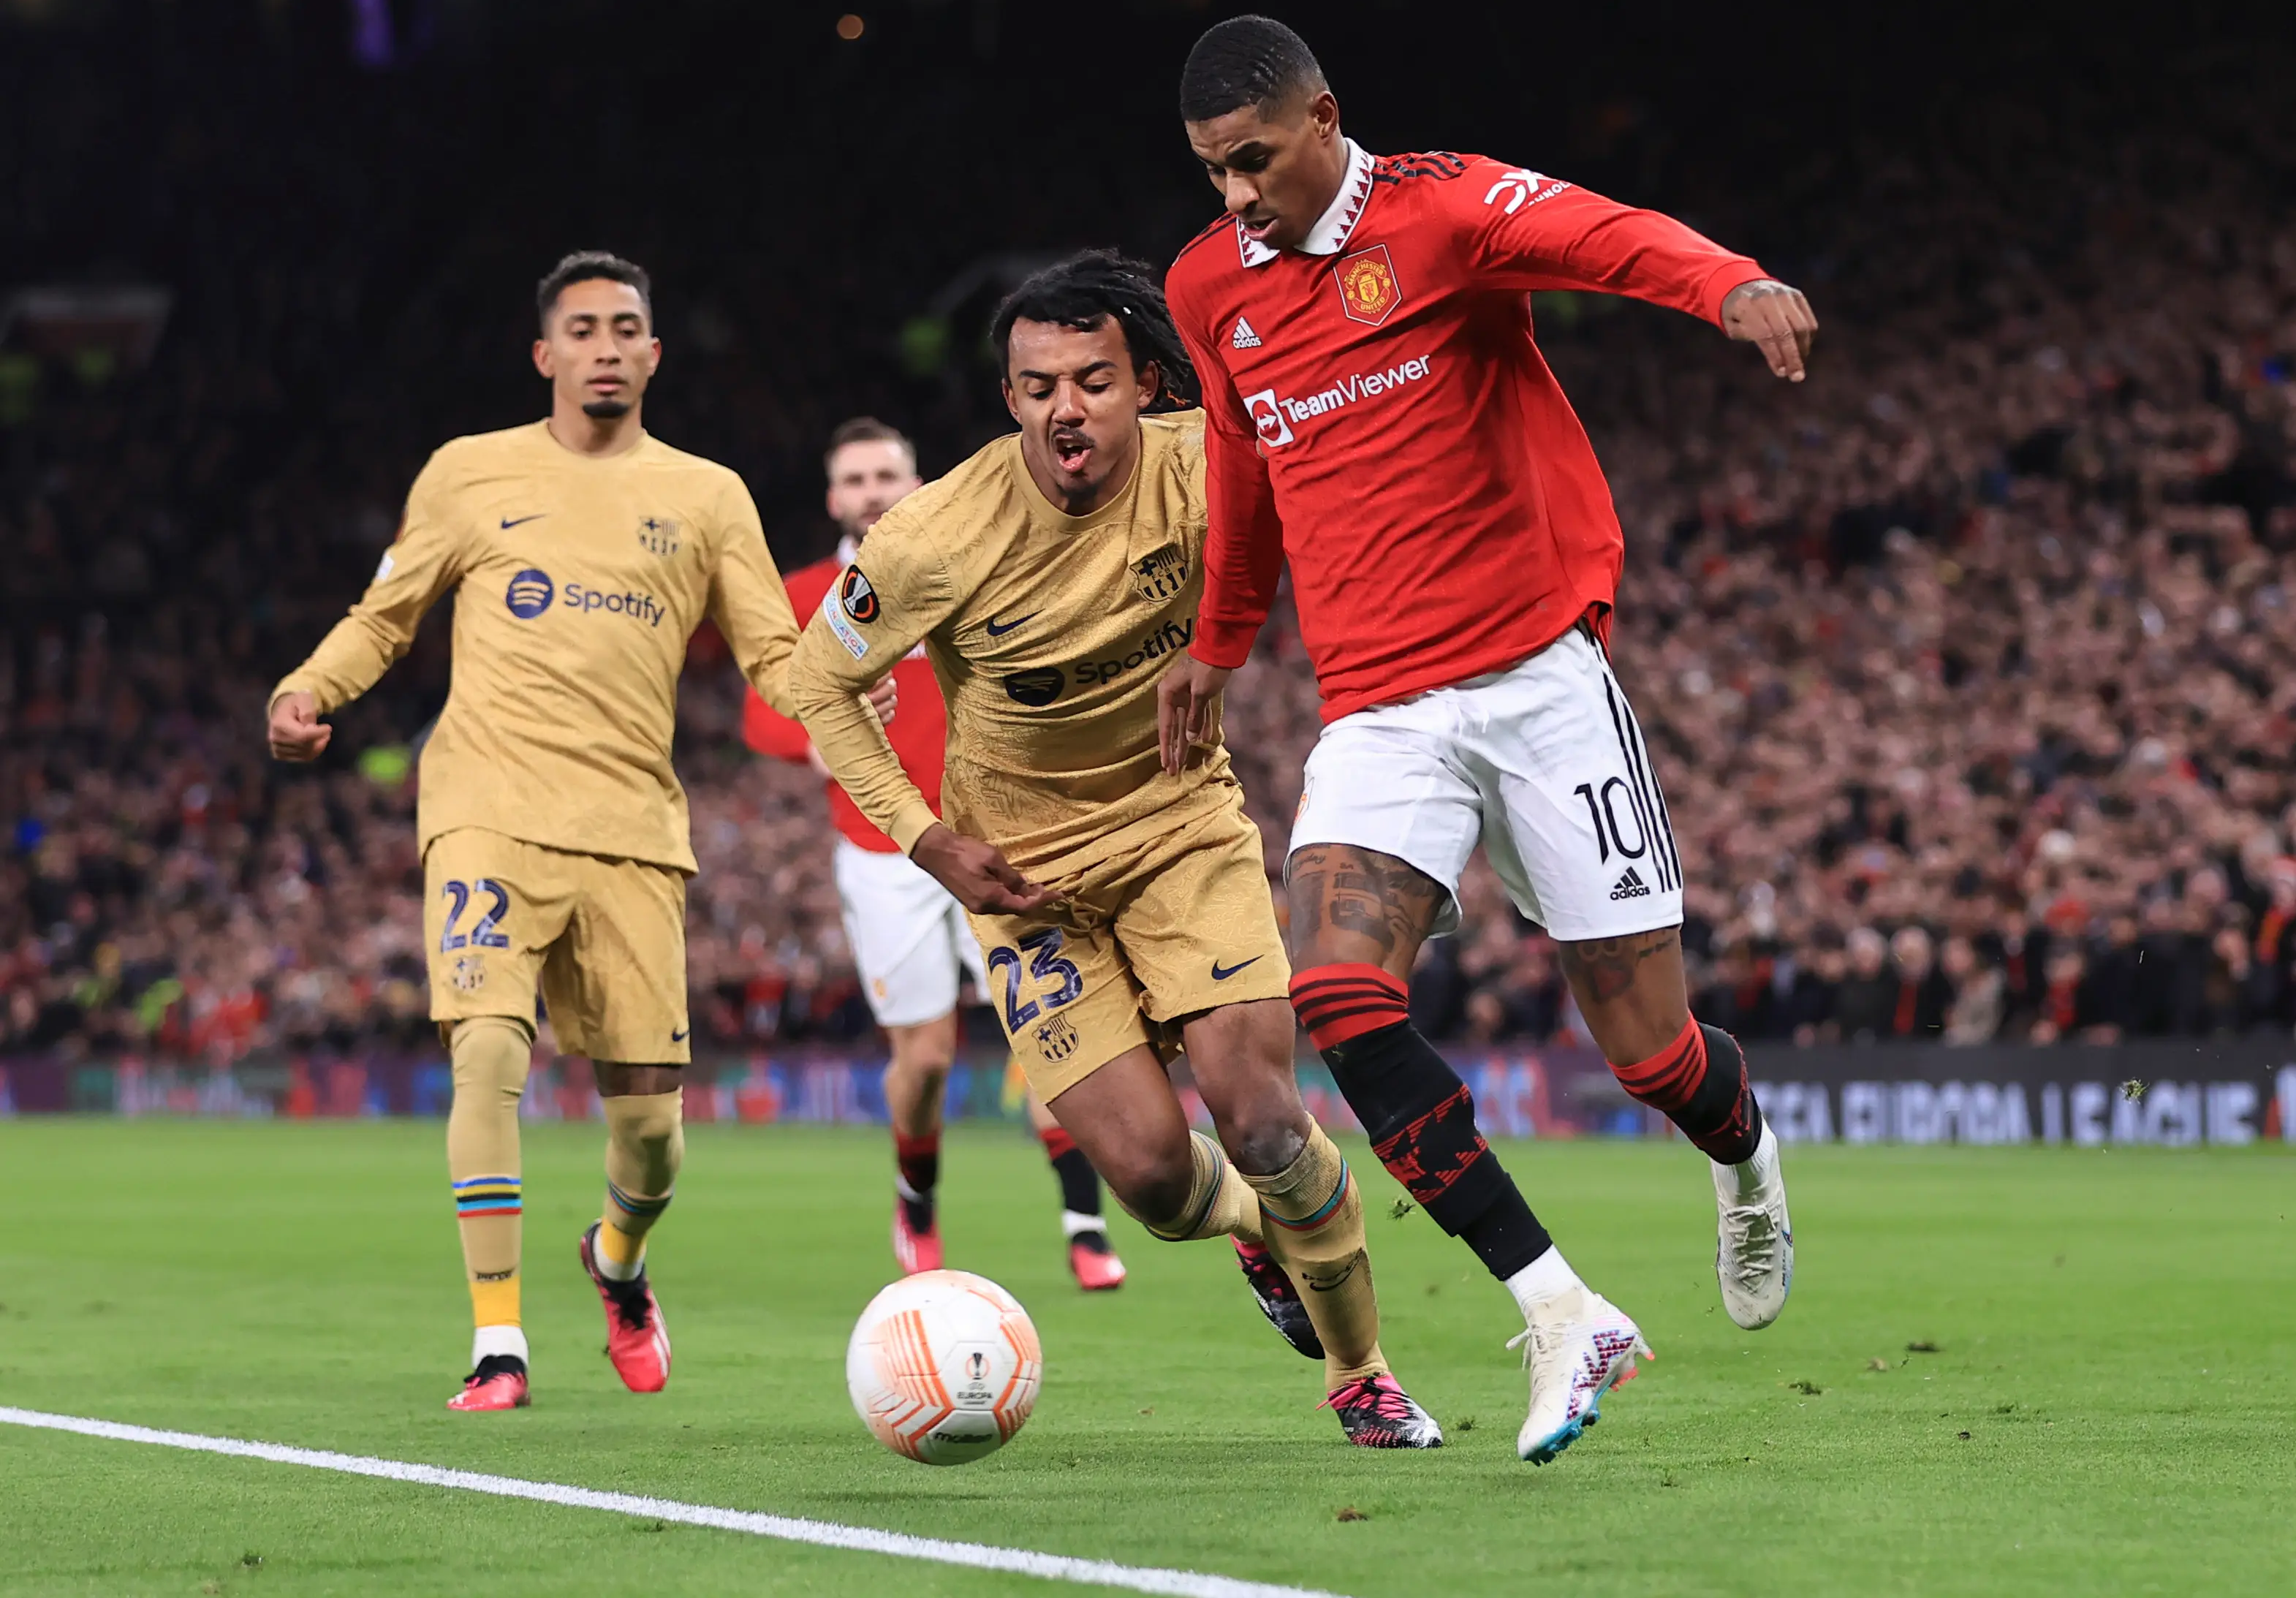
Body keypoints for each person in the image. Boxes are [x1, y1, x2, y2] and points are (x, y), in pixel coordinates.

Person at [1157, 16, 1811, 1462]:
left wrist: (1733, 286)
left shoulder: (1439, 211)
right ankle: (1562, 1305)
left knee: (1650, 1058)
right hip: (1380, 710)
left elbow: (1607, 237)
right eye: (1211, 172)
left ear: (1324, 116)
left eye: (1254, 160)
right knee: (1334, 994)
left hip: (1538, 684)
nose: (1236, 197)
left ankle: (1746, 1160)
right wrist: (1216, 643)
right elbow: (1237, 465)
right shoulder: (1209, 288)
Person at [787, 251, 1441, 1450]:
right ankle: (1255, 1227)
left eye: (1090, 380)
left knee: (1260, 1112)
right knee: (1147, 1176)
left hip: (1181, 832)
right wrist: (928, 841)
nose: (1064, 409)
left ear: (1144, 380)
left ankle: (1363, 1372)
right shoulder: (931, 533)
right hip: (1022, 882)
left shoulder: (1211, 462)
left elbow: (1347, 517)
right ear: (1008, 398)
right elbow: (816, 686)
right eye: (1036, 387)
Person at [267, 251, 806, 1412]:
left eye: (626, 328)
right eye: (583, 329)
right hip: (485, 809)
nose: (606, 346)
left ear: (654, 354)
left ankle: (616, 1258)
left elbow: (777, 658)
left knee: (652, 1131)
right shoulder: (470, 474)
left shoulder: (709, 496)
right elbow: (388, 611)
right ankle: (499, 1343)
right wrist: (310, 688)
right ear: (545, 355)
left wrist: (879, 665)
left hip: (632, 830)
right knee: (489, 1050)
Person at [742, 417, 1126, 1291]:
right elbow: (759, 711)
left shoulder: (963, 560)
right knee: (925, 1058)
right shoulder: (808, 592)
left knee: (1049, 1031)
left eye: (888, 473)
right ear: (834, 497)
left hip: (1000, 835)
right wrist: (814, 735)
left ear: (916, 482)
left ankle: (1085, 1222)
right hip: (883, 849)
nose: (873, 491)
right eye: (856, 478)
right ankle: (915, 1191)